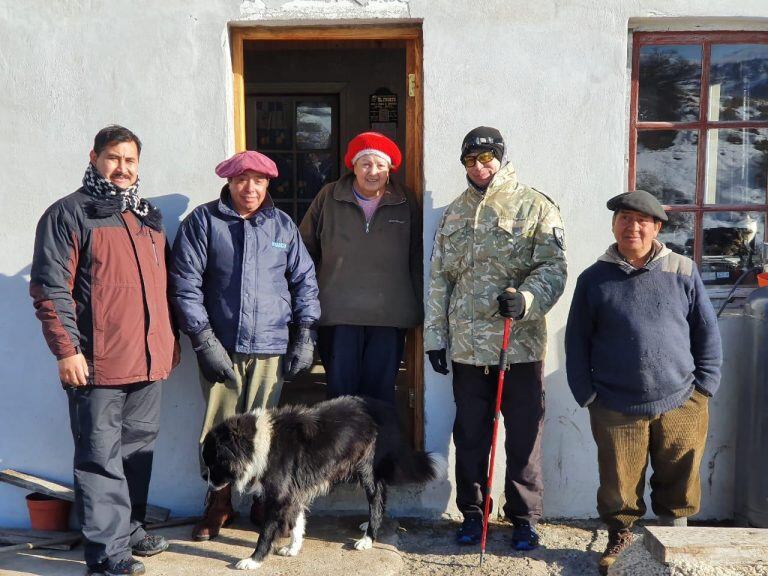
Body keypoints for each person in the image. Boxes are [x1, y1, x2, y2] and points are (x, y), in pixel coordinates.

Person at [30, 125, 178, 576]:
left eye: (130, 160)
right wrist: (67, 351)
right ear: (93, 157)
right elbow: (51, 290)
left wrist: (166, 348)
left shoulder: (145, 218)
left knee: (136, 451)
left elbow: (162, 290)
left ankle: (130, 529)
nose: (122, 168)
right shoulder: (69, 214)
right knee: (99, 458)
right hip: (96, 364)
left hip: (148, 361)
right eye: (114, 158)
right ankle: (106, 553)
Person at [564, 190, 722, 575]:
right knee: (619, 485)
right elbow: (576, 341)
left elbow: (706, 331)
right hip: (615, 403)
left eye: (642, 221)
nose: (632, 227)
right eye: (624, 219)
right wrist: (587, 394)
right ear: (614, 224)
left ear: (656, 228)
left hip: (682, 398)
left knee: (680, 480)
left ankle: (677, 540)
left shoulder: (682, 270)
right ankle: (621, 540)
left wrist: (705, 387)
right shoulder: (594, 278)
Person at [425, 126, 567, 550]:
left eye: (487, 159)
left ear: (501, 158)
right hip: (469, 348)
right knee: (470, 435)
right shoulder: (453, 213)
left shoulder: (534, 206)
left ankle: (523, 517)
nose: (480, 167)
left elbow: (553, 268)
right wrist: (436, 337)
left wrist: (525, 299)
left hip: (518, 345)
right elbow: (440, 280)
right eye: (471, 161)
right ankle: (472, 513)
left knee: (523, 435)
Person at [169, 150, 320, 542]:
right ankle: (218, 504)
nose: (249, 188)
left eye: (258, 180)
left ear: (268, 184)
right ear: (229, 182)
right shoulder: (203, 222)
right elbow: (185, 285)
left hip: (271, 346)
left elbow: (304, 280)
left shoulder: (282, 226)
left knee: (265, 432)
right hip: (221, 343)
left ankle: (263, 501)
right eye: (241, 180)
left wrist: (305, 333)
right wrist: (204, 341)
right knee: (218, 430)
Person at [299, 132, 422, 404]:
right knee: (340, 400)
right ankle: (343, 450)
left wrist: (418, 306)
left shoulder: (405, 200)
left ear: (390, 169)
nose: (373, 171)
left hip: (389, 315)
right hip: (338, 314)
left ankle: (378, 448)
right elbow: (304, 250)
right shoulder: (329, 196)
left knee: (380, 398)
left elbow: (417, 256)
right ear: (353, 166)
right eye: (365, 164)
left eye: (380, 165)